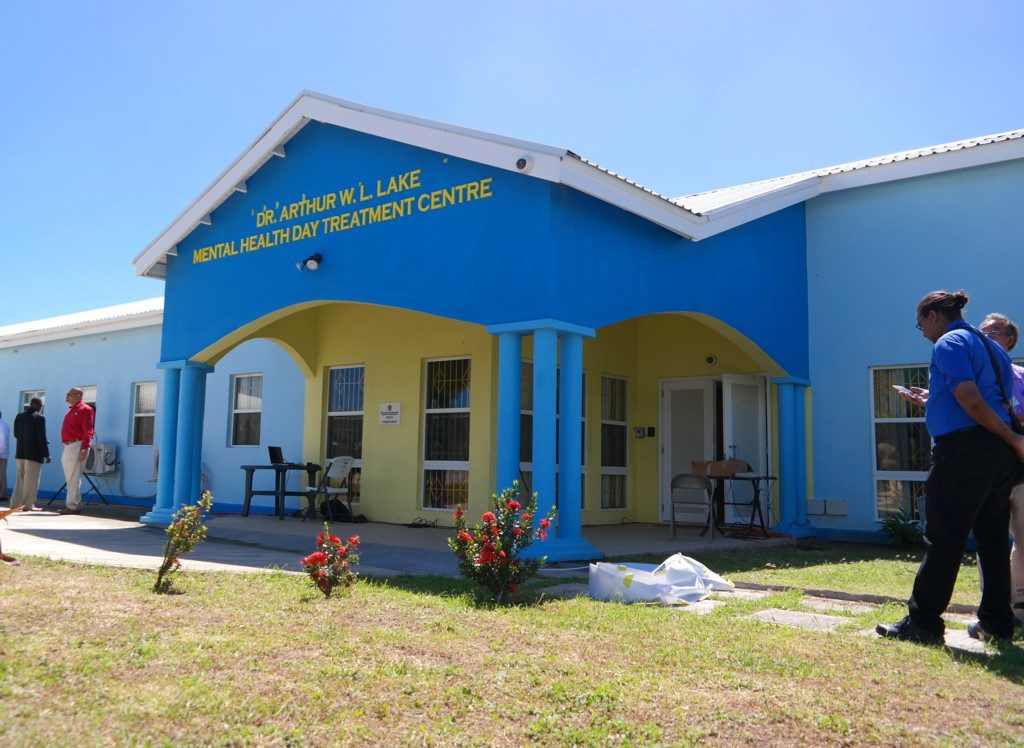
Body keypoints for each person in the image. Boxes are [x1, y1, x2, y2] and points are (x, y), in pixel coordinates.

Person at [877, 290, 1024, 644]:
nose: (924, 332)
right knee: (992, 540)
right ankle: (997, 623)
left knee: (944, 538)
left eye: (920, 325)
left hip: (965, 452)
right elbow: (985, 398)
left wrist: (1014, 438)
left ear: (932, 316)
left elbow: (971, 401)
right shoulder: (991, 348)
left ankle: (923, 623)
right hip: (998, 456)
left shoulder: (949, 342)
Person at [978, 312, 1024, 624]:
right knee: (988, 540)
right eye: (982, 333)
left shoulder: (1019, 375)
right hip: (986, 471)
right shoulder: (975, 376)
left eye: (992, 332)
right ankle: (992, 608)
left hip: (1019, 469)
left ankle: (1020, 602)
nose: (985, 337)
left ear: (1010, 339)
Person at [59, 387, 94, 515]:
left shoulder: (85, 409)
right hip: (68, 446)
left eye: (69, 394)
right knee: (70, 477)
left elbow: (88, 431)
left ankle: (73, 506)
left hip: (77, 445)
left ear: (78, 395)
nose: (66, 397)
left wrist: (84, 448)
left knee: (73, 477)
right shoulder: (71, 410)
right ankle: (73, 504)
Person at [11, 397, 50, 512]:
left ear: (30, 404)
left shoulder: (19, 416)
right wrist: (47, 454)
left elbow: (16, 434)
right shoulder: (39, 418)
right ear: (39, 406)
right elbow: (41, 438)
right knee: (32, 480)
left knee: (20, 479)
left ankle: (15, 504)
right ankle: (29, 505)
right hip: (34, 454)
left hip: (20, 453)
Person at [0, 410, 10, 502]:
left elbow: (3, 441)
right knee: (2, 475)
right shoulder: (4, 424)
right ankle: (2, 494)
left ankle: (3, 495)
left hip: (1, 454)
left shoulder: (1, 426)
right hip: (3, 454)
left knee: (2, 475)